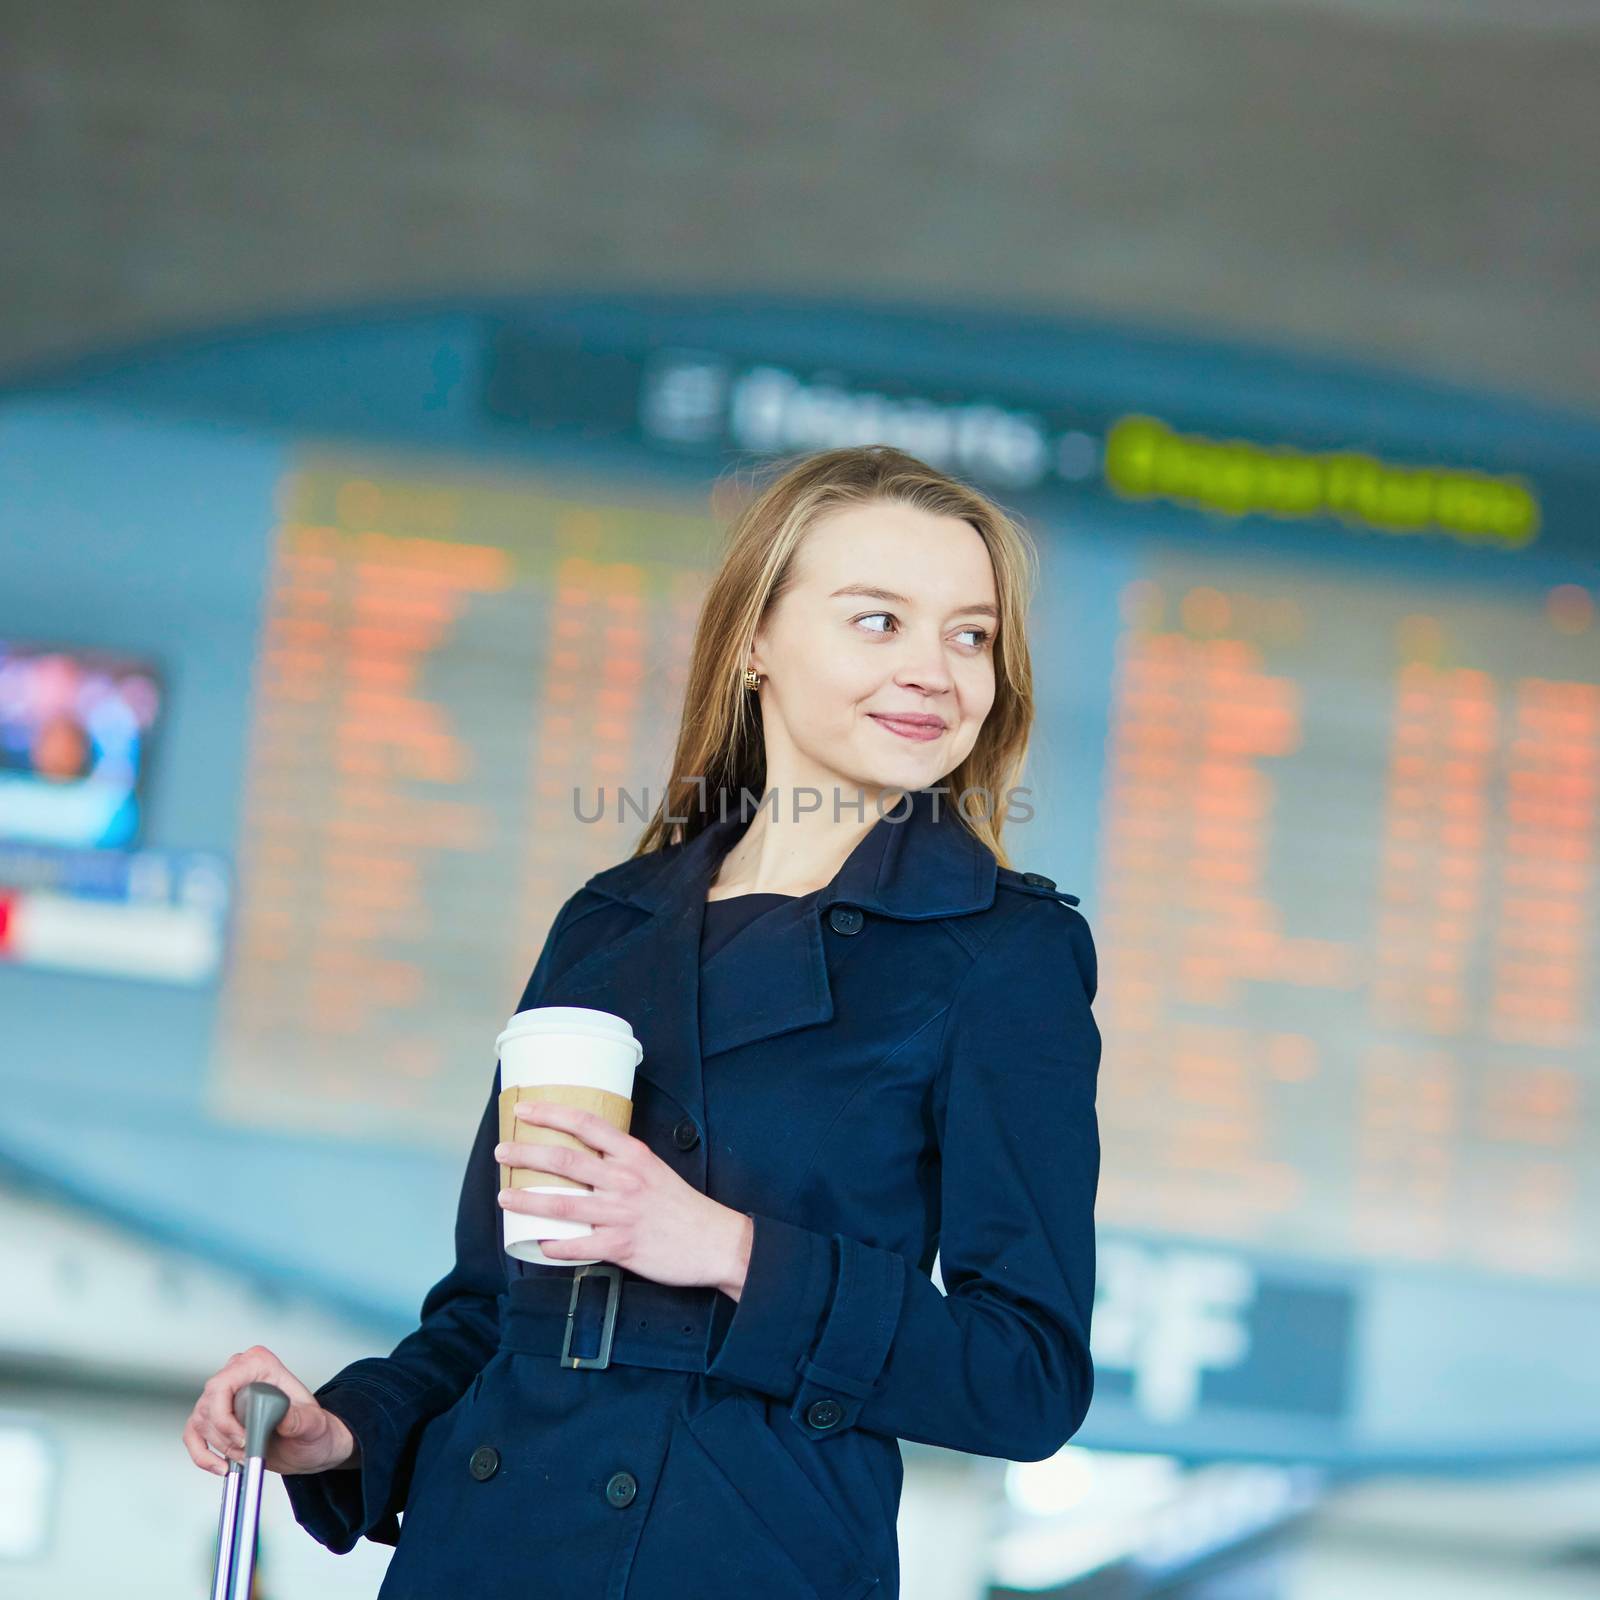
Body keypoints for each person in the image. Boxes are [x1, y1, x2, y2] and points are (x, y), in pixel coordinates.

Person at [182, 443, 1102, 1599]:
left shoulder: (1002, 952)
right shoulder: (609, 925)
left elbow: (1023, 1378)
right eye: (879, 621)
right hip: (483, 1553)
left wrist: (725, 1249)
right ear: (756, 639)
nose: (935, 670)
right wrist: (345, 1430)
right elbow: (492, 1310)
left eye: (970, 635)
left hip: (743, 1556)